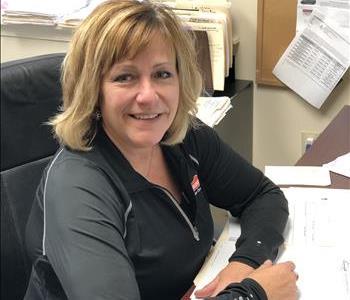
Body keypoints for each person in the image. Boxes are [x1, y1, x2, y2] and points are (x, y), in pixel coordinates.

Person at [24, 1, 298, 299]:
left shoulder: (183, 136)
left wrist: (245, 262)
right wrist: (252, 294)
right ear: (93, 89)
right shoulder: (77, 187)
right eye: (124, 77)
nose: (148, 96)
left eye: (162, 74)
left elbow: (262, 196)